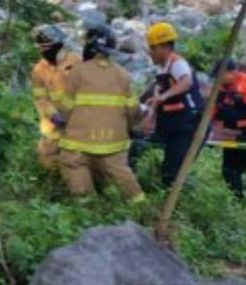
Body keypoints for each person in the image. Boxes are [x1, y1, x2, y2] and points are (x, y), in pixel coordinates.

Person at [54, 25, 145, 202]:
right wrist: (134, 128)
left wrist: (58, 122)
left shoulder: (77, 73)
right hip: (113, 144)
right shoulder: (123, 75)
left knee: (74, 166)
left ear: (88, 47)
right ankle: (139, 204)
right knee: (121, 172)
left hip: (79, 143)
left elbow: (65, 108)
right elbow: (133, 110)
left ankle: (86, 204)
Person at [143, 22, 205, 187]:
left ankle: (181, 196)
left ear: (164, 46)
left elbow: (186, 81)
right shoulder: (163, 69)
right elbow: (159, 95)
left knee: (172, 172)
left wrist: (164, 96)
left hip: (189, 126)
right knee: (168, 168)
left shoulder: (177, 63)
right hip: (174, 126)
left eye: (153, 48)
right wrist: (152, 107)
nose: (150, 52)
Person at [30, 25, 81, 171]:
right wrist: (54, 117)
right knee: (46, 157)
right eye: (41, 47)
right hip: (53, 123)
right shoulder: (39, 69)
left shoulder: (78, 63)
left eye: (47, 47)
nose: (43, 51)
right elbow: (40, 98)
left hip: (78, 120)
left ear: (59, 45)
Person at [212, 59, 246, 197]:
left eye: (219, 76)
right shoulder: (221, 88)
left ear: (230, 72)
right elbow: (214, 109)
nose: (217, 80)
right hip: (231, 134)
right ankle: (237, 200)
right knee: (229, 170)